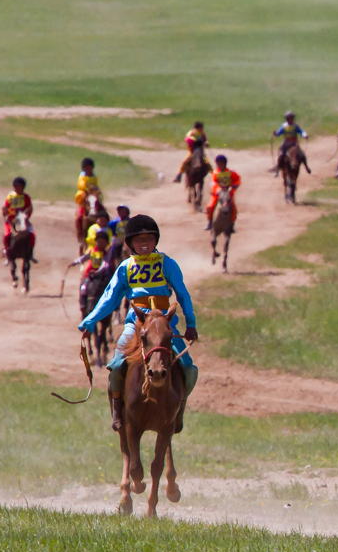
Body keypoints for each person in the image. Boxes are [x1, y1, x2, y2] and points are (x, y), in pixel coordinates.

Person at [78, 215, 199, 433]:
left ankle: (179, 409)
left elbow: (182, 294)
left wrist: (190, 323)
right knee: (115, 365)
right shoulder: (126, 267)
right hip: (136, 323)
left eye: (149, 239)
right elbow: (110, 297)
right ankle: (117, 410)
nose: (144, 243)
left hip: (164, 324)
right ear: (130, 243)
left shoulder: (167, 263)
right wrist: (89, 321)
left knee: (189, 368)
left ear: (156, 240)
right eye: (139, 239)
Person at [70, 229, 112, 305]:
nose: (100, 244)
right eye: (99, 241)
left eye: (103, 242)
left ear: (106, 243)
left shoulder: (106, 254)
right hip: (90, 274)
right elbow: (84, 257)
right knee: (83, 288)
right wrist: (75, 262)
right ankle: (83, 305)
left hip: (102, 275)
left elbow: (104, 265)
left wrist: (97, 272)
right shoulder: (92, 251)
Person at [1, 176, 35, 264]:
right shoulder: (10, 197)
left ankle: (30, 253)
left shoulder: (26, 197)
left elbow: (30, 208)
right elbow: (5, 208)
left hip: (22, 221)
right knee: (7, 235)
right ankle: (7, 252)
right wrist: (5, 214)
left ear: (23, 187)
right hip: (11, 221)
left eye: (18, 186)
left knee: (32, 234)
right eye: (15, 186)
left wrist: (25, 216)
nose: (16, 188)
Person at [204, 155, 240, 231]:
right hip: (218, 193)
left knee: (233, 208)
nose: (220, 165)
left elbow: (237, 180)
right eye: (218, 164)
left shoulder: (230, 173)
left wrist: (234, 186)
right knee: (210, 206)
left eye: (221, 164)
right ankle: (209, 222)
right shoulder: (215, 173)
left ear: (225, 164)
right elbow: (213, 182)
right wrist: (217, 188)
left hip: (228, 193)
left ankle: (232, 224)